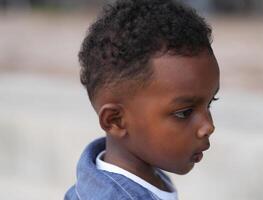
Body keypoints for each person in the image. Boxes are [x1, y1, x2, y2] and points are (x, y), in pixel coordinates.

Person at [65, 0, 220, 199]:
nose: (208, 126)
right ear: (116, 120)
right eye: (184, 112)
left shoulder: (150, 175)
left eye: (210, 103)